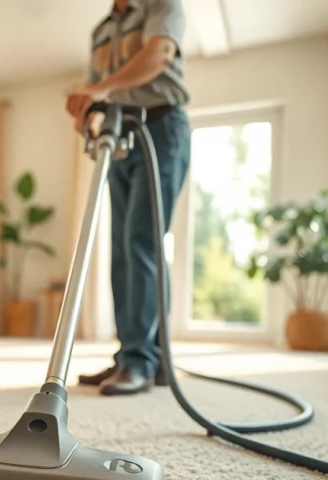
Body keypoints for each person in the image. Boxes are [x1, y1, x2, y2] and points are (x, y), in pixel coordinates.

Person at [65, 0, 192, 396]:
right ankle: (132, 357)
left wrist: (99, 88)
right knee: (121, 247)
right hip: (119, 134)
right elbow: (95, 85)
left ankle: (144, 360)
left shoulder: (162, 5)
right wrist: (87, 109)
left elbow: (159, 54)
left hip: (160, 126)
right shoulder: (102, 29)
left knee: (142, 241)